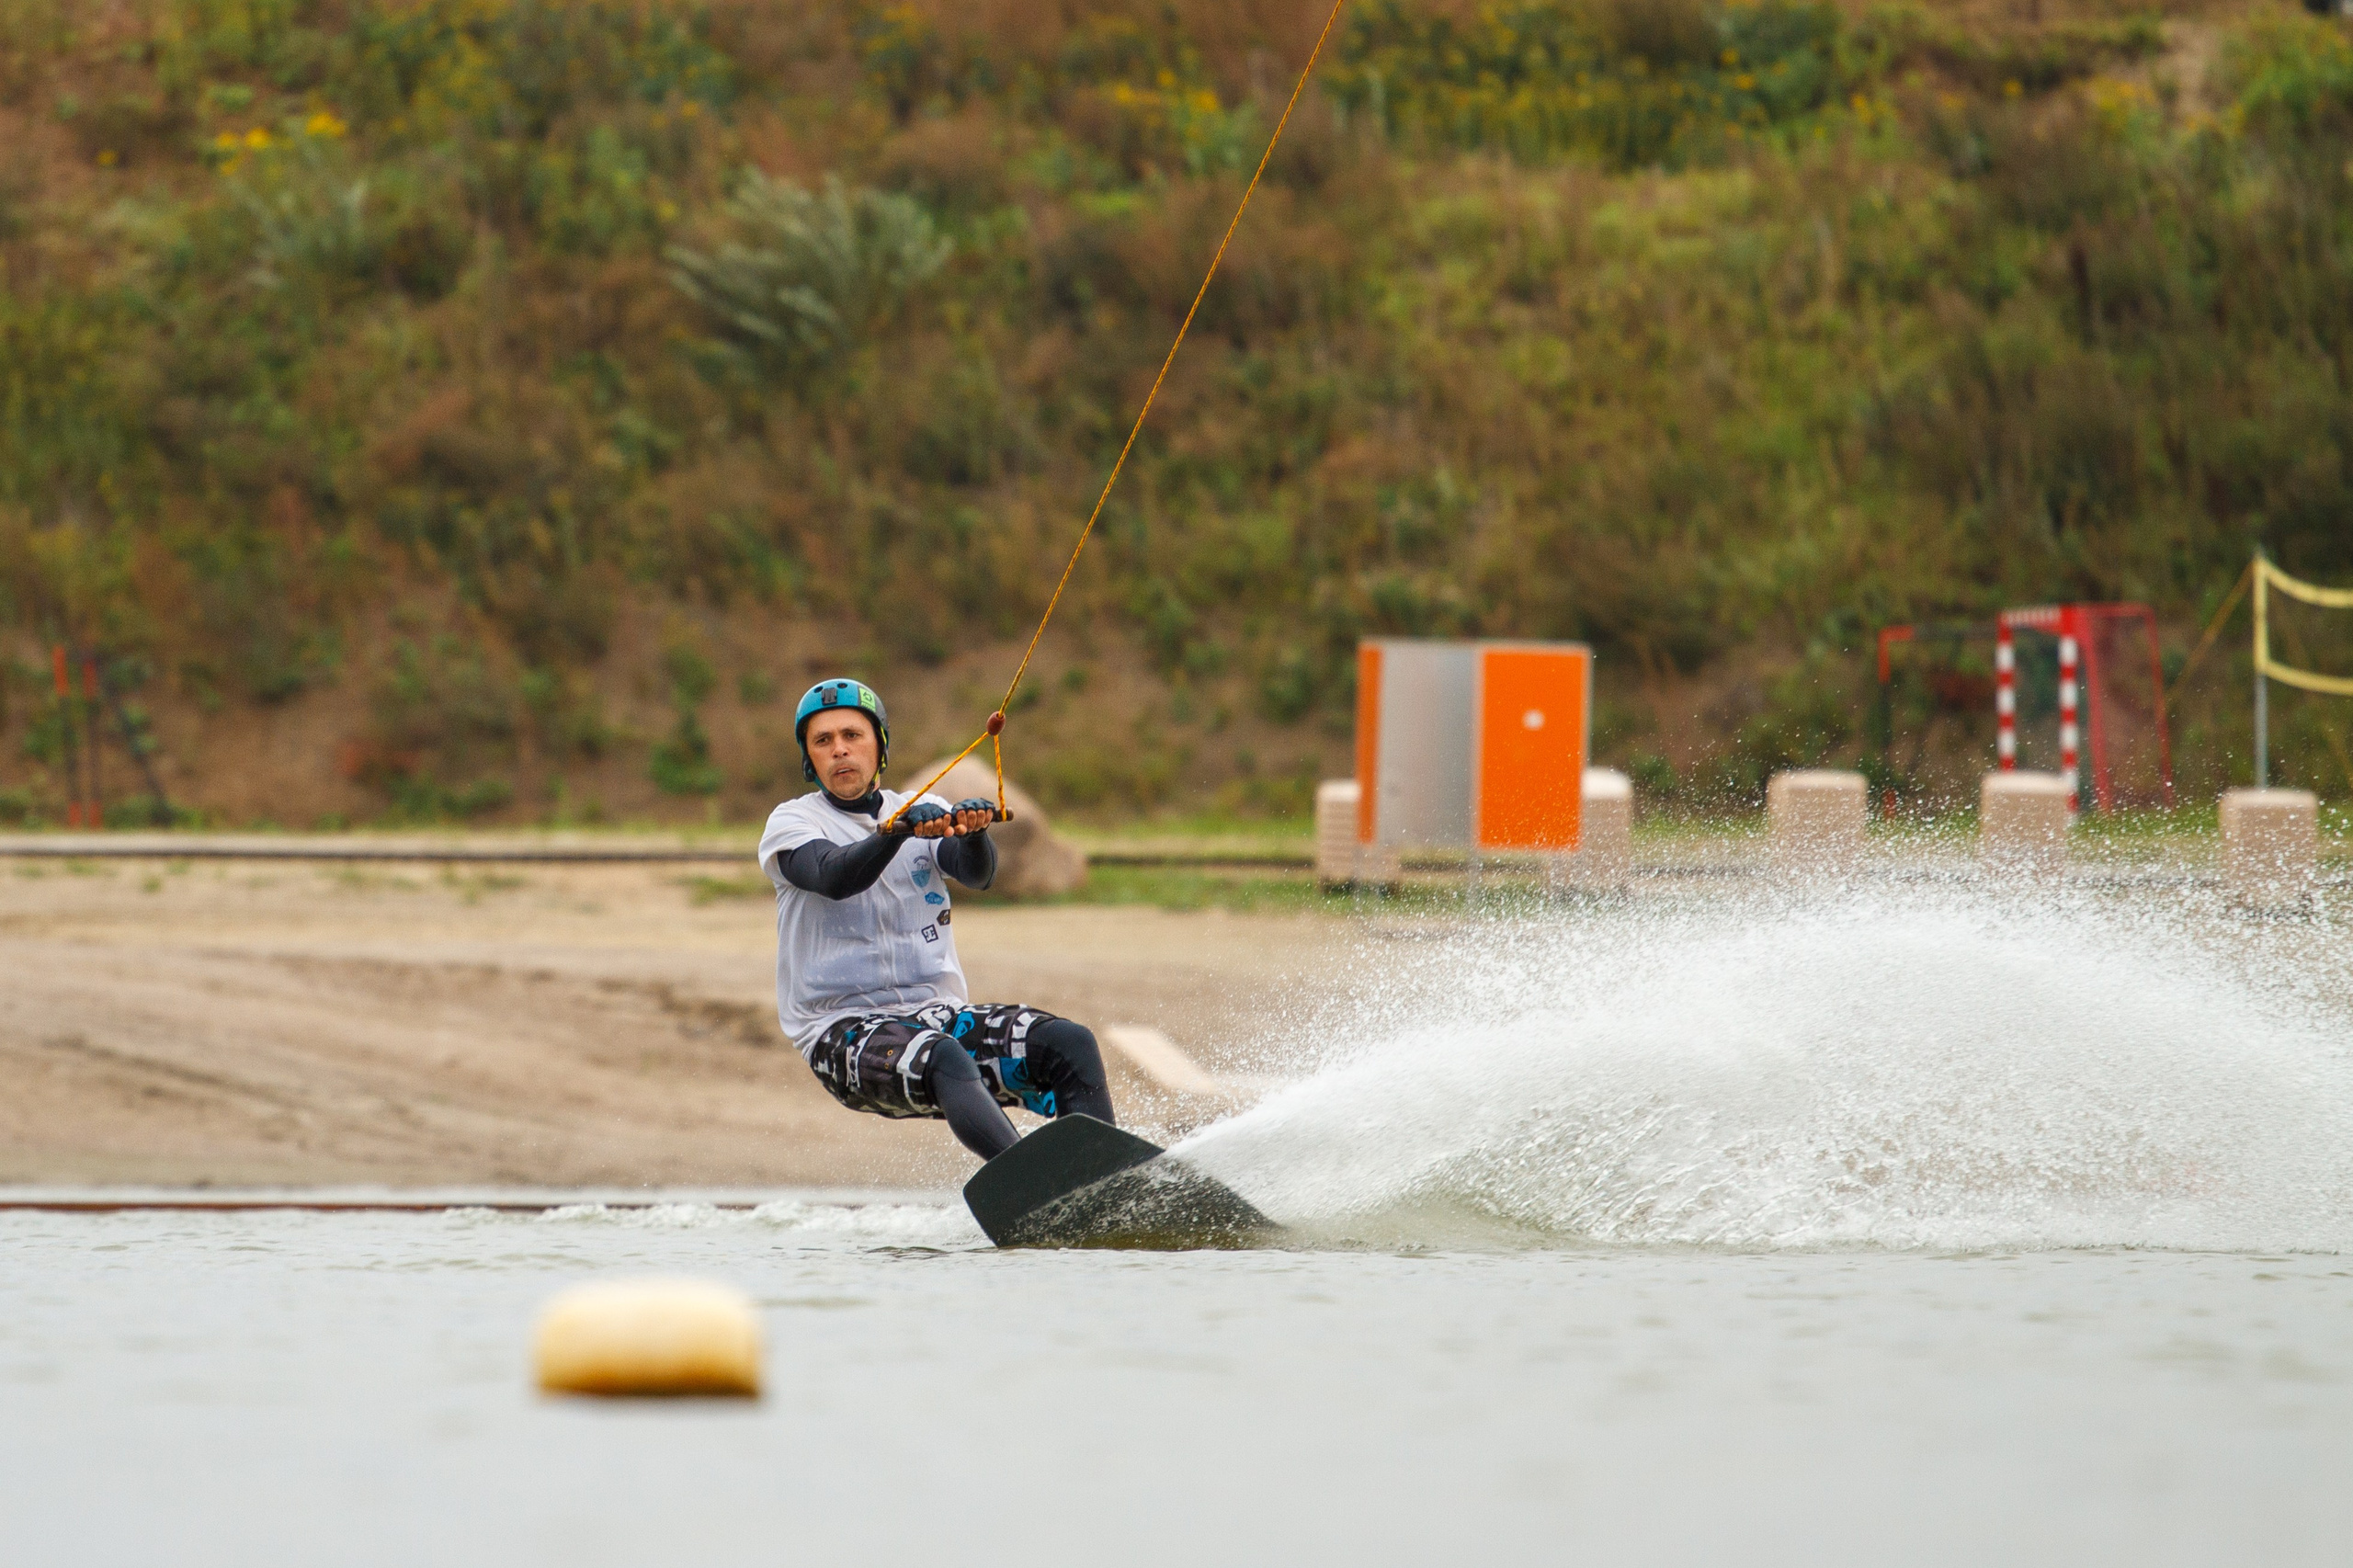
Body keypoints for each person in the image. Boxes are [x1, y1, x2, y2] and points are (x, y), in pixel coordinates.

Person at [756, 677, 1116, 1161]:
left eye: (852, 735)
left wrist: (973, 835)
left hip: (937, 1015)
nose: (839, 749)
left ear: (879, 746)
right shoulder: (792, 823)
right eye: (823, 741)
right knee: (944, 1055)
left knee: (1069, 1043)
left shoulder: (922, 811)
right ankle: (1027, 1180)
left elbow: (977, 874)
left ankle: (1101, 1169)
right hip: (840, 1033)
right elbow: (833, 876)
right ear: (809, 759)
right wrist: (894, 833)